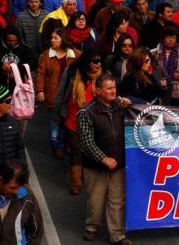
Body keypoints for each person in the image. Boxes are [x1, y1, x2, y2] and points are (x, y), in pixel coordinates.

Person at [78, 73, 133, 245]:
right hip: (95, 166)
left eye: (114, 88)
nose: (113, 91)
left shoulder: (120, 106)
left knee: (118, 200)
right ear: (98, 90)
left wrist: (130, 104)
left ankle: (117, 234)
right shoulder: (86, 112)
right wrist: (103, 158)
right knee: (95, 200)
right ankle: (92, 227)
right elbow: (86, 142)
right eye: (109, 88)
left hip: (119, 163)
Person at [53, 49, 105, 195]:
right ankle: (76, 182)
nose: (98, 64)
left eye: (100, 61)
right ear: (86, 62)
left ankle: (88, 177)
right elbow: (61, 92)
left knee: (90, 151)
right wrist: (57, 114)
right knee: (76, 150)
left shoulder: (104, 75)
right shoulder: (72, 72)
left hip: (95, 121)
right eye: (95, 61)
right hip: (73, 119)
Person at [36, 29, 79, 158]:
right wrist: (40, 90)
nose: (52, 40)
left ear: (63, 39)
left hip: (70, 95)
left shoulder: (75, 55)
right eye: (52, 38)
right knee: (54, 122)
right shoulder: (45, 56)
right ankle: (57, 146)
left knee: (68, 122)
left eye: (56, 38)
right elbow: (40, 74)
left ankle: (66, 143)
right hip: (53, 95)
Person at [153, 26, 179, 106]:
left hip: (178, 87)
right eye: (168, 37)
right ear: (163, 39)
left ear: (176, 39)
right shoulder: (155, 52)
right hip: (159, 85)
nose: (171, 40)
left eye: (173, 37)